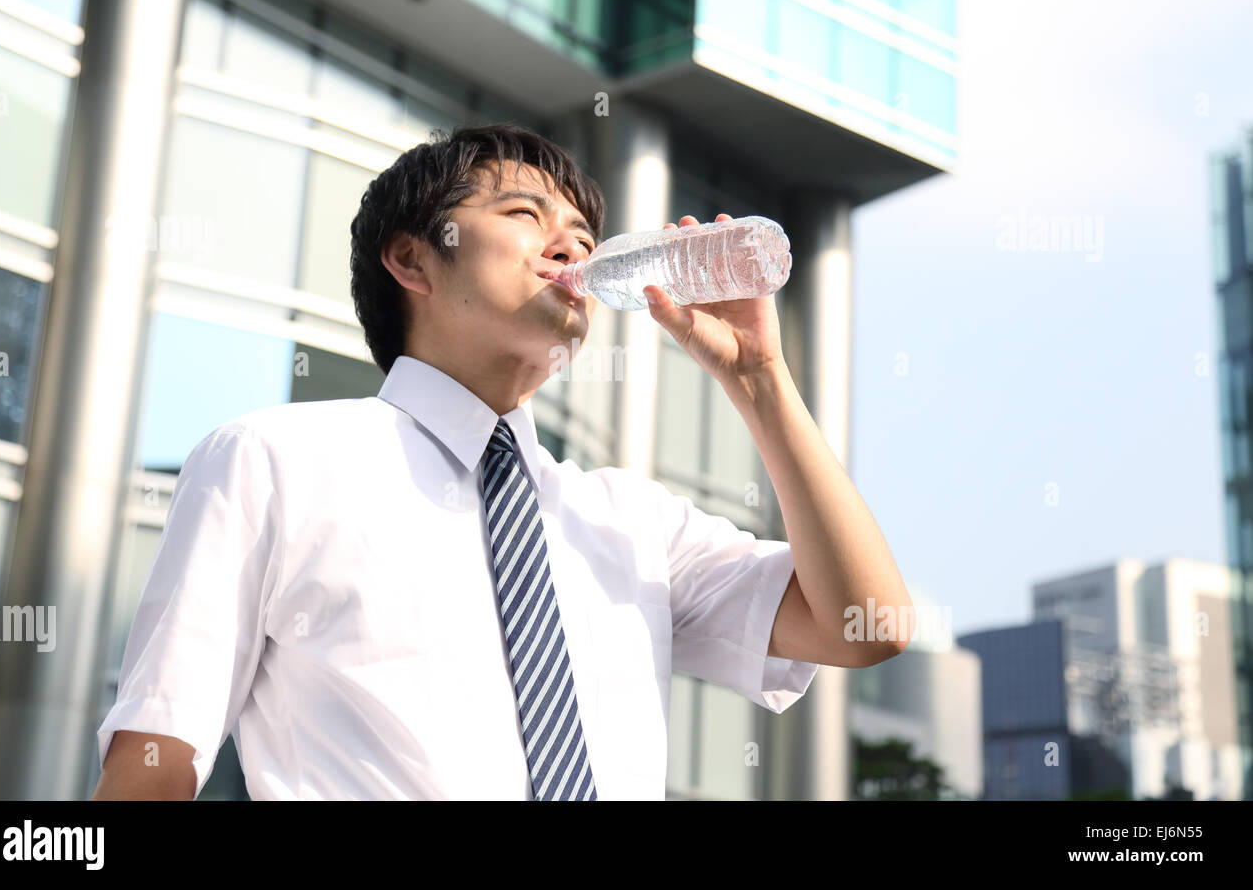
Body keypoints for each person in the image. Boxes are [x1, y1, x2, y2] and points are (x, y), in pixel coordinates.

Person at [91, 122, 912, 800]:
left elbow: (863, 626)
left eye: (586, 235)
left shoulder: (631, 520)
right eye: (525, 213)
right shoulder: (275, 460)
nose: (572, 243)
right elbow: (156, 758)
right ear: (412, 259)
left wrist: (759, 380)